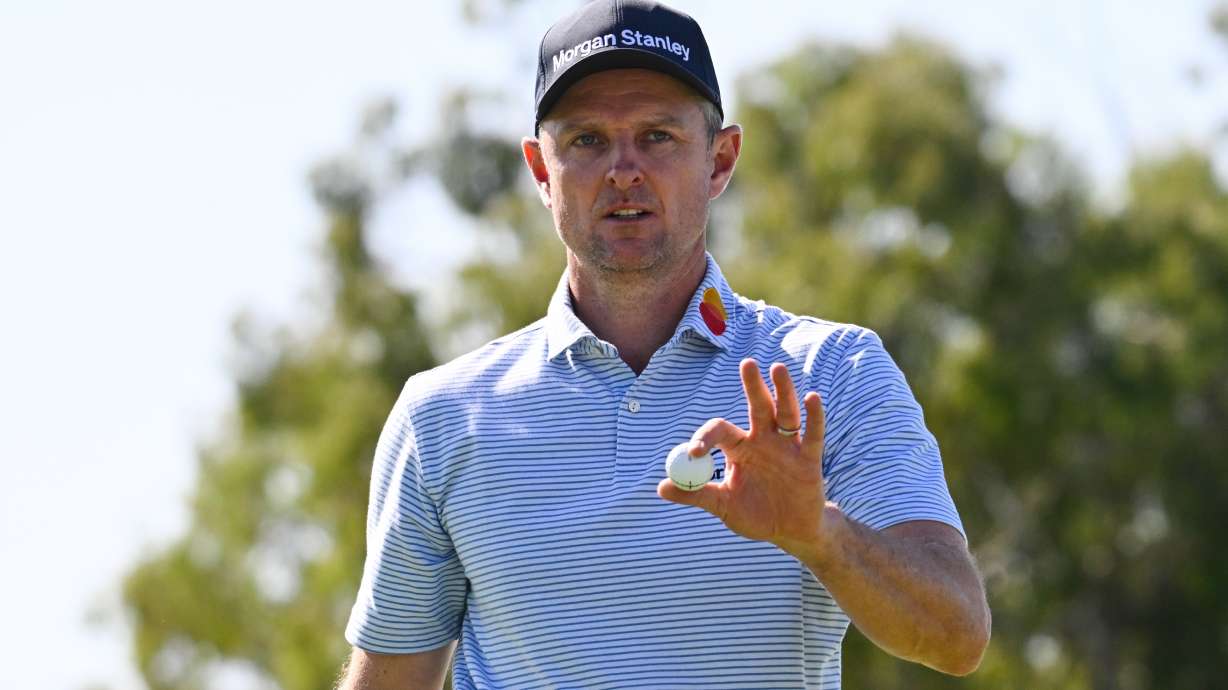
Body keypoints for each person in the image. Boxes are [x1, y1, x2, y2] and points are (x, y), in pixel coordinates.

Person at [336, 1, 990, 688]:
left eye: (657, 136)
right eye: (587, 140)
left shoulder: (834, 371)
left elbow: (956, 636)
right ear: (539, 170)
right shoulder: (442, 417)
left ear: (720, 160)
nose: (623, 169)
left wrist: (819, 535)